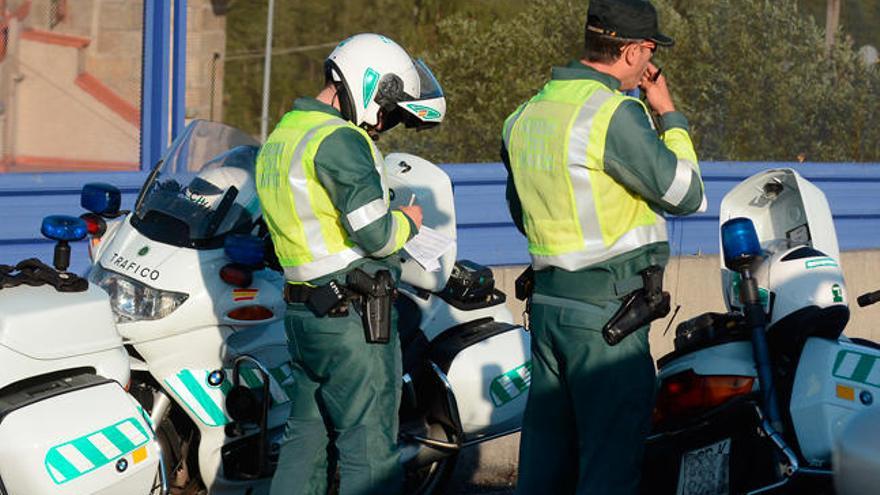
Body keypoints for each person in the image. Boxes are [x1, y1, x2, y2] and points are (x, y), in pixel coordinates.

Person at [501, 1, 705, 493]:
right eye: (650, 51)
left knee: (545, 466)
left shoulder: (525, 115)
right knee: (608, 466)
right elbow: (686, 194)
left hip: (548, 309)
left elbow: (520, 208)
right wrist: (669, 114)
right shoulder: (612, 115)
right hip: (608, 320)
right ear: (635, 50)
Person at [255, 33, 445, 495]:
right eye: (386, 109)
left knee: (304, 442)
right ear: (371, 84)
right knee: (370, 451)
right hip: (354, 321)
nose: (381, 124)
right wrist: (410, 221)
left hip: (304, 316)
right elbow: (377, 235)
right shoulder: (341, 139)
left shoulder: (283, 136)